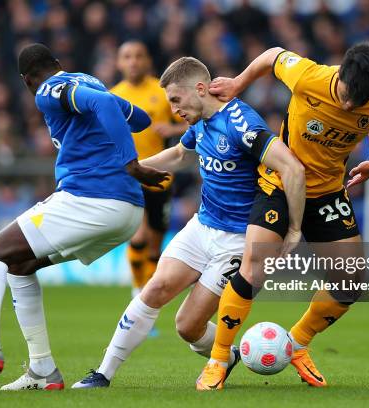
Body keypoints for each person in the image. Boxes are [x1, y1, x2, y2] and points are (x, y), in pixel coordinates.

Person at [0, 43, 169, 390]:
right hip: (128, 210)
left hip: (91, 199)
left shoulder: (47, 91)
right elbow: (141, 119)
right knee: (19, 265)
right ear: (59, 63)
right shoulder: (88, 81)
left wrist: (131, 163)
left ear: (27, 81)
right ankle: (43, 371)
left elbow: (104, 105)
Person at [71, 56, 306, 388]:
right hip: (202, 225)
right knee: (155, 288)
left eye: (175, 100)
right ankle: (102, 374)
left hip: (238, 240)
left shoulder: (241, 125)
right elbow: (180, 155)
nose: (174, 108)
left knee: (187, 327)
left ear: (199, 89)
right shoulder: (200, 121)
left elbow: (292, 169)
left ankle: (225, 354)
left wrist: (294, 228)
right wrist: (126, 170)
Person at [197, 42, 369, 390]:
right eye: (347, 94)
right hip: (281, 185)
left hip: (328, 193)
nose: (349, 105)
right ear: (341, 73)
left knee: (351, 283)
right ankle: (217, 358)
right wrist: (238, 83)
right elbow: (273, 54)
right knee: (254, 269)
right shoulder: (309, 76)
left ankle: (298, 344)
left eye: (358, 100)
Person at [111, 40, 187, 303]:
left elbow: (190, 122)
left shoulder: (163, 91)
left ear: (147, 61)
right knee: (139, 235)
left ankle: (147, 296)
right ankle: (137, 293)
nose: (133, 61)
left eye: (139, 56)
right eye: (127, 56)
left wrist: (173, 130)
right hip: (129, 175)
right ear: (119, 62)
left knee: (155, 242)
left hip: (160, 175)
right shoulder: (113, 96)